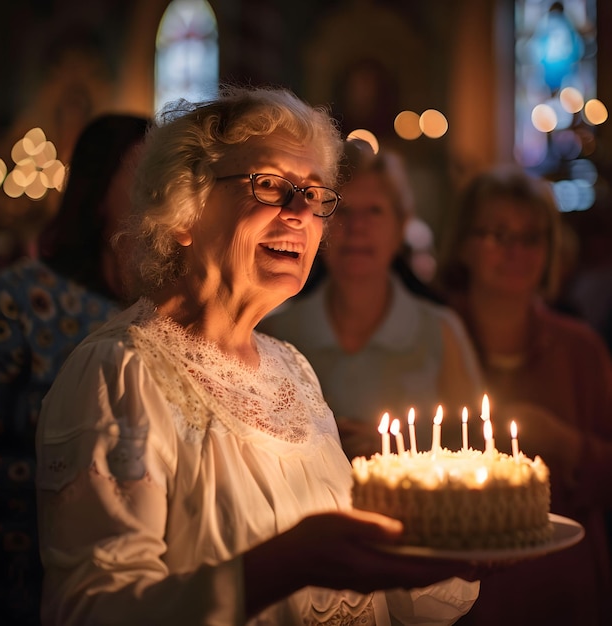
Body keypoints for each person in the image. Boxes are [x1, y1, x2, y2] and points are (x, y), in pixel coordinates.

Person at [35, 86, 481, 625]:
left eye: (315, 196)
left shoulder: (291, 368)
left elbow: (378, 598)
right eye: (270, 185)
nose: (300, 213)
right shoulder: (121, 373)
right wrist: (282, 565)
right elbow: (91, 611)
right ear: (182, 210)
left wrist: (459, 543)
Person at [0, 113, 150, 626]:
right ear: (101, 190)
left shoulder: (169, 309)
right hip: (22, 569)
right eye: (146, 176)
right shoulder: (22, 297)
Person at [435, 163, 612, 626]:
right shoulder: (430, 339)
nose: (514, 251)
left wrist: (566, 443)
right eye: (497, 234)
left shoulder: (581, 351)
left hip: (559, 590)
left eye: (530, 237)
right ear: (464, 245)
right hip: (453, 594)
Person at [258, 139, 483, 459]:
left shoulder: (441, 332)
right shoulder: (277, 334)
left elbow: (476, 448)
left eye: (374, 211)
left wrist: (396, 457)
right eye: (343, 211)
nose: (357, 228)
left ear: (400, 226)